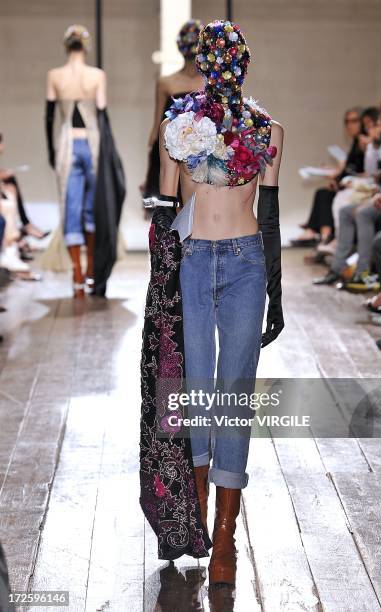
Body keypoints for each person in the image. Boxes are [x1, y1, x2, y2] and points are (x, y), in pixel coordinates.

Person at [144, 20, 284, 589]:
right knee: (199, 386)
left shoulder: (268, 129)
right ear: (204, 63)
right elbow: (162, 208)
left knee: (233, 393)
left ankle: (225, 531)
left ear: (242, 64)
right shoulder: (177, 126)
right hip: (196, 260)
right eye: (217, 58)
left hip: (248, 263)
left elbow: (269, 212)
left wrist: (277, 289)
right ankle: (199, 516)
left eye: (231, 59)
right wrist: (161, 286)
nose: (224, 67)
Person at [41, 25, 125, 297]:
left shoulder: (54, 75)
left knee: (70, 207)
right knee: (93, 208)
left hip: (66, 143)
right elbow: (102, 113)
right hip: (94, 144)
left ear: (66, 46)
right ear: (85, 46)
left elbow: (50, 117)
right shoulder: (97, 76)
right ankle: (91, 271)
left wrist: (51, 153)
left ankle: (77, 274)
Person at [314, 98, 381, 289]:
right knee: (345, 211)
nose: (378, 126)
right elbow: (373, 170)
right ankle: (337, 269)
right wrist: (372, 146)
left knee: (362, 213)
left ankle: (362, 272)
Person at [140, 19, 204, 218]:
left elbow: (155, 128)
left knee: (190, 206)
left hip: (201, 151)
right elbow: (158, 126)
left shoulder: (170, 82)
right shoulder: (167, 82)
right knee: (176, 206)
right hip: (174, 151)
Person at [291, 107, 365, 247]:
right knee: (323, 192)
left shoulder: (363, 144)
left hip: (360, 188)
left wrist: (339, 176)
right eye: (347, 121)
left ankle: (322, 237)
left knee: (325, 194)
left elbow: (362, 171)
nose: (350, 125)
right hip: (351, 185)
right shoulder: (356, 144)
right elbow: (351, 170)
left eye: (354, 121)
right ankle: (317, 233)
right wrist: (337, 175)